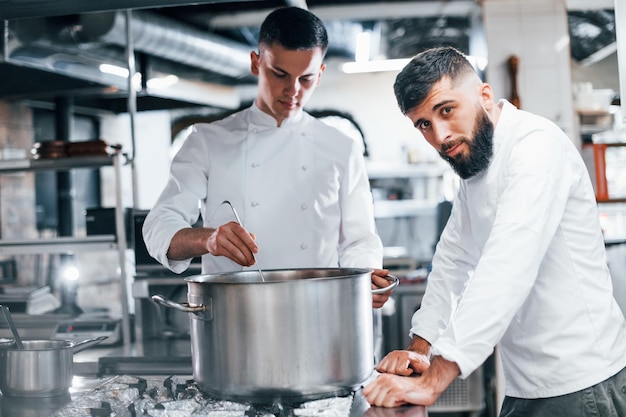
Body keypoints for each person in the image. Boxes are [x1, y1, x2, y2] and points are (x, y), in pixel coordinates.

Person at [363, 46, 626, 416]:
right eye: (423, 123)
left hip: (581, 385)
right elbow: (453, 261)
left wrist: (433, 381)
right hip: (527, 384)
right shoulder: (475, 166)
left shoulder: (535, 147)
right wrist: (420, 349)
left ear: (484, 95)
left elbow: (506, 267)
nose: (439, 136)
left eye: (446, 110)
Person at [142, 6, 392, 309]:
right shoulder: (207, 141)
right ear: (256, 63)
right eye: (279, 74)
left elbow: (360, 239)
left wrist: (363, 277)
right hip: (236, 316)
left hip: (318, 313)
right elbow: (158, 226)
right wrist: (208, 240)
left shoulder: (341, 148)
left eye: (307, 79)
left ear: (321, 74)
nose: (293, 90)